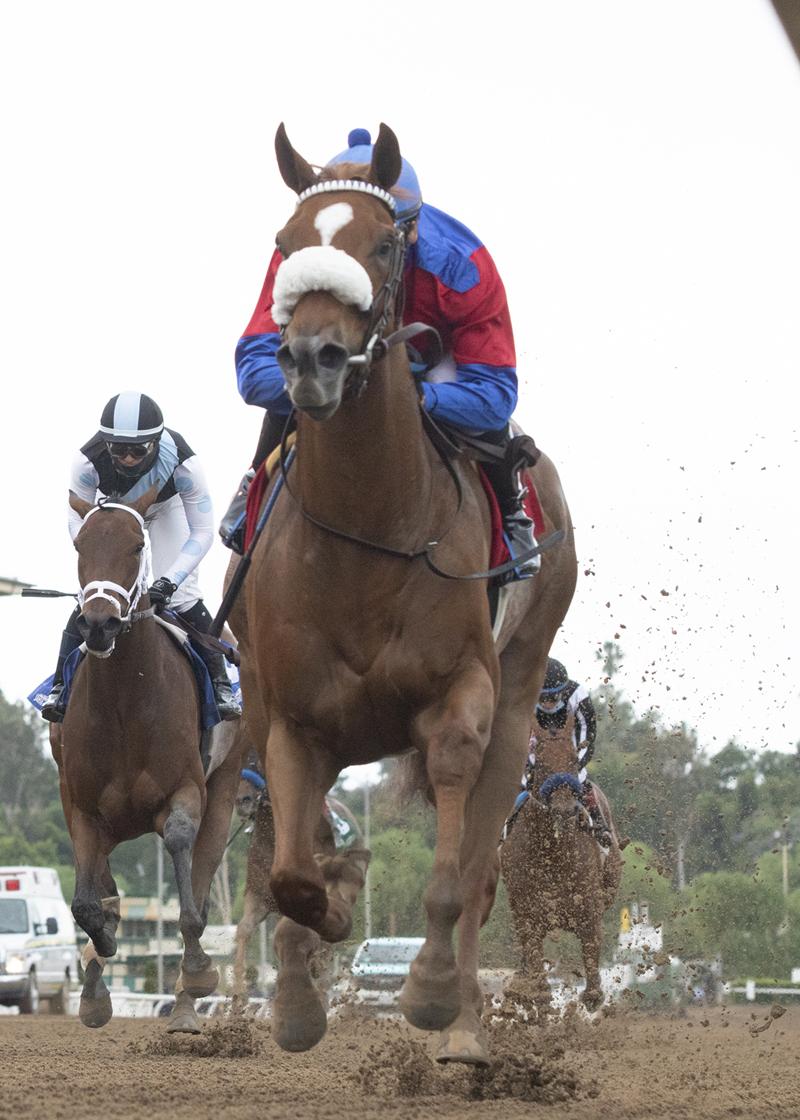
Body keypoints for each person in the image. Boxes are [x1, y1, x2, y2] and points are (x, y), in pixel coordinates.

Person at [220, 127, 539, 579]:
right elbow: (255, 368)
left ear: (412, 228)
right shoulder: (306, 245)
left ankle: (512, 512)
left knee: (487, 422)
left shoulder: (461, 264)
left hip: (436, 366)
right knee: (301, 368)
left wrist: (411, 395)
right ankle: (257, 480)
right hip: (342, 356)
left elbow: (494, 394)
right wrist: (323, 379)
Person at [41, 391, 241, 723]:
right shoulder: (85, 462)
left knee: (184, 595)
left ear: (156, 442)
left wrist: (169, 581)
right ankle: (60, 686)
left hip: (166, 508)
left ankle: (221, 686)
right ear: (106, 444)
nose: (128, 459)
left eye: (138, 450)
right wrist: (100, 563)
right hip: (111, 509)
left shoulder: (185, 465)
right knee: (95, 595)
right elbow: (77, 520)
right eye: (119, 450)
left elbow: (203, 532)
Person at [524, 657, 611, 845]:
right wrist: (531, 766)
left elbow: (587, 735)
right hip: (536, 740)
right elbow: (520, 738)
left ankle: (600, 825)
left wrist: (573, 764)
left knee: (580, 778)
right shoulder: (525, 695)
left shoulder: (579, 697)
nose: (547, 704)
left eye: (552, 698)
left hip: (570, 741)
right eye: (542, 698)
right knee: (523, 781)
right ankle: (502, 830)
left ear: (562, 692)